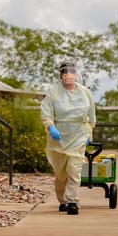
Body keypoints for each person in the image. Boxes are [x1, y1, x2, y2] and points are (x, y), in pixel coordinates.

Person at [41, 60, 96, 215]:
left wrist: (89, 131)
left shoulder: (85, 92)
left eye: (72, 72)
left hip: (79, 134)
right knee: (61, 171)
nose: (69, 75)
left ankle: (72, 201)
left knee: (74, 168)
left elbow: (91, 114)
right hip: (59, 136)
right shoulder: (53, 92)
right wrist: (50, 126)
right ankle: (63, 200)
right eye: (66, 72)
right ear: (61, 74)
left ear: (76, 73)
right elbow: (46, 112)